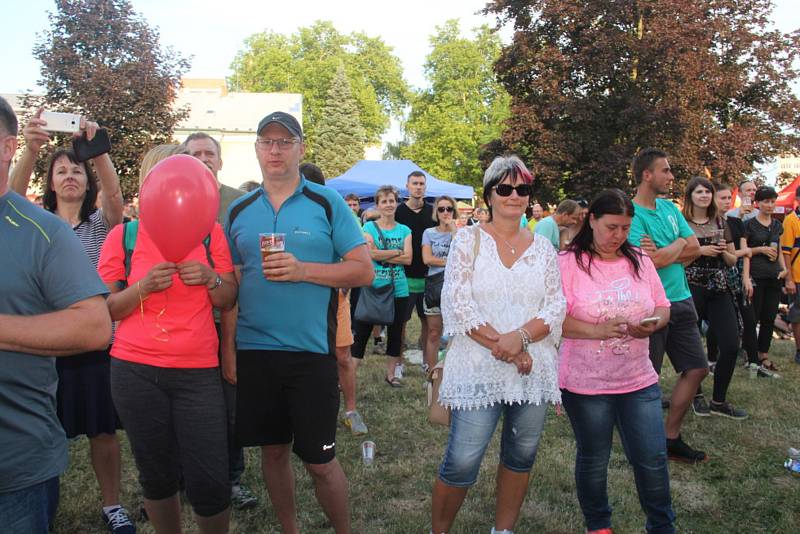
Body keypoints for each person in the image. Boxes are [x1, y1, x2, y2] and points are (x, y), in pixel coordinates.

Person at [225, 111, 372, 534]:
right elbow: (232, 290)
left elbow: (362, 270)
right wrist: (228, 351)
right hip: (256, 352)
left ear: (300, 149)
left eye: (284, 142)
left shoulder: (325, 204)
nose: (275, 150)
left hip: (312, 352)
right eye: (267, 141)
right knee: (272, 452)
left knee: (320, 461)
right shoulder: (238, 212)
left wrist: (304, 270)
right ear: (256, 149)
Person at [98, 146, 239, 534]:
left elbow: (228, 298)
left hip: (197, 372)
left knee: (210, 479)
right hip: (134, 371)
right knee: (156, 475)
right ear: (148, 183)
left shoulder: (212, 235)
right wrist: (141, 288)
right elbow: (107, 308)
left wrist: (210, 278)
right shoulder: (122, 237)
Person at [9, 108, 136, 532]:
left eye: (77, 171)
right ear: (49, 182)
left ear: (87, 183)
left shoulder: (100, 225)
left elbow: (117, 203)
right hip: (39, 340)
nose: (69, 176)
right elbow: (9, 192)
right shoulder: (30, 227)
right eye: (60, 170)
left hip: (93, 342)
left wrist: (98, 153)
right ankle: (40, 499)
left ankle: (112, 504)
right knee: (47, 426)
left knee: (102, 430)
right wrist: (28, 149)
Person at [431, 155, 565, 534]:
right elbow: (458, 303)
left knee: (520, 456)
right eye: (505, 188)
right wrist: (506, 346)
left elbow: (556, 305)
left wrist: (521, 339)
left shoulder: (542, 248)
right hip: (478, 365)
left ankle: (502, 531)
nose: (514, 196)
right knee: (462, 460)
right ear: (489, 194)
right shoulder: (467, 239)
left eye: (522, 189)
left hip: (531, 367)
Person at [559, 189, 674, 534]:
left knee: (653, 459)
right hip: (586, 382)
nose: (618, 236)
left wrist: (651, 324)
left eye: (625, 228)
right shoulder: (566, 263)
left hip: (638, 377)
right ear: (590, 220)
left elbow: (662, 305)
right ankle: (598, 525)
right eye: (611, 227)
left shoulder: (639, 258)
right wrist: (597, 330)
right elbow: (552, 321)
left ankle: (662, 526)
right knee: (595, 458)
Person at [181, 132, 259, 510]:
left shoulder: (238, 204)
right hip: (182, 322)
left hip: (228, 316)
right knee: (184, 406)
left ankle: (232, 479)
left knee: (231, 406)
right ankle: (182, 480)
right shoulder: (172, 195)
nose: (202, 159)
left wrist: (230, 339)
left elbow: (243, 269)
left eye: (209, 153)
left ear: (220, 160)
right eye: (194, 153)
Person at [627, 147, 708, 464]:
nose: (672, 176)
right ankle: (643, 443)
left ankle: (670, 437)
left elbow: (695, 248)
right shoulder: (632, 214)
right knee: (647, 379)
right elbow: (652, 262)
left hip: (682, 300)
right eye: (666, 170)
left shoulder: (672, 210)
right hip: (650, 306)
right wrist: (678, 247)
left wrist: (670, 248)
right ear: (647, 175)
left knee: (697, 368)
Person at [300, 162, 368, 436]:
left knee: (342, 355)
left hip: (334, 297)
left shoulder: (334, 211)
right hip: (300, 298)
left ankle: (350, 410)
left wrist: (344, 287)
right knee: (306, 358)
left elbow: (355, 256)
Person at [681, 177, 747, 419]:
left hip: (719, 285)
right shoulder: (682, 223)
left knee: (730, 343)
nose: (705, 196)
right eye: (699, 192)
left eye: (707, 192)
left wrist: (722, 252)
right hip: (691, 286)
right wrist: (700, 250)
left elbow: (731, 259)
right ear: (690, 195)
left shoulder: (720, 221)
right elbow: (679, 260)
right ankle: (695, 395)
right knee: (691, 344)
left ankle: (719, 400)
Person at [352, 185, 413, 385]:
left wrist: (383, 253)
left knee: (396, 334)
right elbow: (368, 254)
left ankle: (391, 375)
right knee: (361, 333)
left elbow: (408, 259)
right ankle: (348, 376)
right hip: (373, 287)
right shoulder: (368, 228)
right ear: (377, 205)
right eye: (384, 201)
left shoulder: (405, 230)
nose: (388, 205)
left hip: (399, 289)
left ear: (397, 203)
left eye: (391, 201)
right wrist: (397, 252)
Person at [711, 183, 766, 377]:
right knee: (716, 323)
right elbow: (736, 252)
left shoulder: (735, 223)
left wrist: (746, 278)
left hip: (736, 276)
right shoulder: (711, 223)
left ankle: (754, 362)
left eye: (728, 198)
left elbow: (745, 253)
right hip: (715, 277)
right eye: (722, 198)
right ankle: (711, 359)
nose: (726, 202)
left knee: (749, 320)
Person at [395, 170, 436, 378]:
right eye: (415, 183)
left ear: (425, 187)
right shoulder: (398, 212)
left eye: (421, 183)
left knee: (427, 322)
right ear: (407, 186)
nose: (418, 187)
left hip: (429, 276)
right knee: (400, 322)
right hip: (404, 275)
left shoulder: (433, 212)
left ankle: (426, 361)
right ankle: (399, 362)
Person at [743, 186, 787, 372]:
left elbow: (780, 250)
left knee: (769, 317)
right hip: (756, 276)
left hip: (774, 276)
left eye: (772, 201)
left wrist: (784, 269)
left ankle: (763, 355)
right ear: (757, 203)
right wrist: (759, 250)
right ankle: (751, 357)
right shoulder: (749, 225)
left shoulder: (777, 225)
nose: (770, 205)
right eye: (766, 201)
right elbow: (744, 253)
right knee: (752, 318)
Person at [421, 195, 458, 372]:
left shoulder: (461, 232)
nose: (445, 212)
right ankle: (431, 370)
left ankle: (450, 370)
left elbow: (464, 257)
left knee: (455, 334)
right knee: (434, 332)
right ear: (436, 211)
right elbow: (427, 258)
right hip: (435, 286)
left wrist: (453, 231)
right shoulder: (429, 233)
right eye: (441, 209)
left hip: (455, 287)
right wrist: (451, 262)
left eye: (449, 209)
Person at [780, 187, 800, 365]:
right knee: (797, 315)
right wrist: (789, 278)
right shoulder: (791, 220)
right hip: (797, 276)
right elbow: (785, 252)